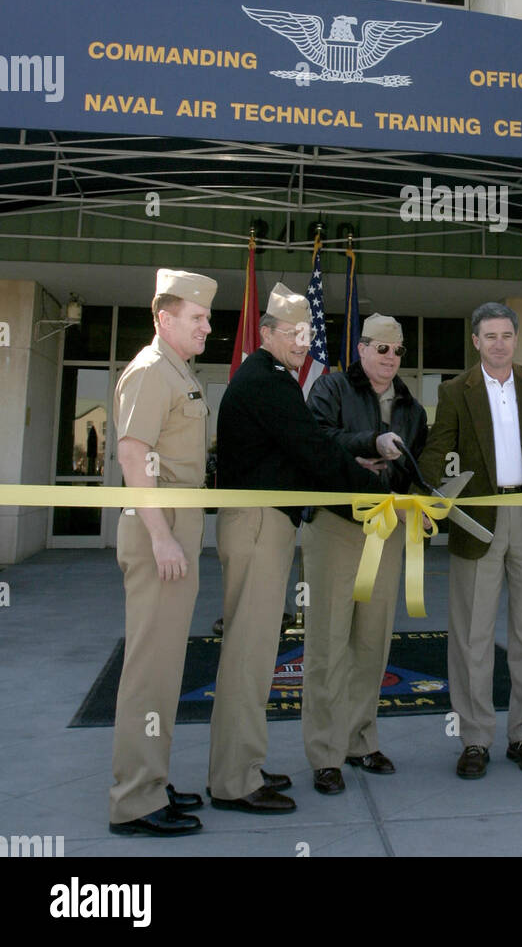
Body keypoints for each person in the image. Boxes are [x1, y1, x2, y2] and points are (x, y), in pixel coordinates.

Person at [210, 283, 378, 808]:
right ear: (265, 334)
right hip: (258, 526)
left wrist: (355, 465)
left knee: (254, 653)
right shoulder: (265, 381)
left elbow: (310, 447)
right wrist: (379, 492)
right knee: (248, 656)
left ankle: (242, 767)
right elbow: (311, 451)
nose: (303, 343)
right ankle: (236, 783)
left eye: (309, 333)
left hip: (265, 524)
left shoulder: (270, 377)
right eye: (292, 333)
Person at [418, 302, 522, 779]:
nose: (499, 343)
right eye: (490, 335)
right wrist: (423, 498)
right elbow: (437, 449)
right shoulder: (454, 391)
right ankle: (476, 740)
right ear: (476, 341)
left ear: (515, 339)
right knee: (471, 638)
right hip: (476, 522)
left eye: (506, 335)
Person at [109, 267, 218, 836]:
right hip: (161, 533)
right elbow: (133, 458)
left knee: (167, 665)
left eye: (205, 317)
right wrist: (159, 535)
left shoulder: (179, 371)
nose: (207, 326)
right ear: (165, 318)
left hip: (176, 529)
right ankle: (134, 799)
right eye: (197, 318)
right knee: (149, 669)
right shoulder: (152, 372)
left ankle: (152, 778)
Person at [305, 314, 427, 793]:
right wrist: (364, 445)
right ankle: (325, 753)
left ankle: (361, 741)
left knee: (372, 644)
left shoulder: (412, 408)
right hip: (336, 527)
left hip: (388, 530)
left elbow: (412, 467)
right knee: (327, 643)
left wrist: (402, 479)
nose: (390, 358)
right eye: (381, 349)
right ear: (360, 349)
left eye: (396, 351)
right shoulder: (332, 390)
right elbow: (315, 442)